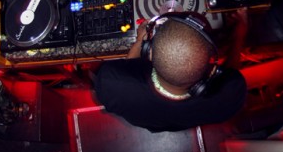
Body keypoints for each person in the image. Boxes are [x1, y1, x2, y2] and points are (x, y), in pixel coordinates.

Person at [93, 9, 248, 132]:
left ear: (149, 52)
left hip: (150, 122)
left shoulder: (111, 83)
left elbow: (128, 68)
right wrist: (239, 34)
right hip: (177, 123)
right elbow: (231, 73)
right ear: (212, 71)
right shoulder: (230, 97)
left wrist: (140, 41)